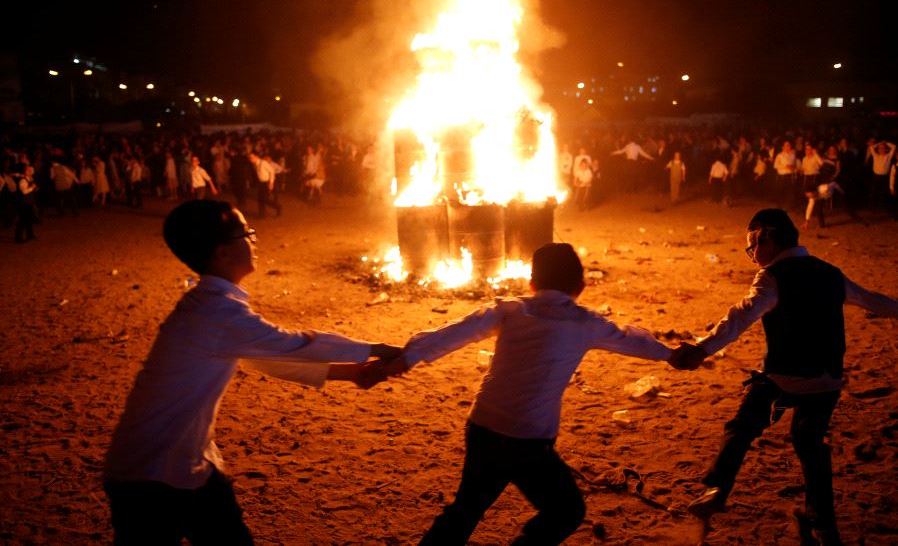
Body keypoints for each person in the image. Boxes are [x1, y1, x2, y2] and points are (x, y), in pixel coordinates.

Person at [103, 200, 401, 544]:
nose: (255, 241)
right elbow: (294, 344)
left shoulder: (211, 307)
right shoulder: (217, 313)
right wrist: (376, 349)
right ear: (222, 253)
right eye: (247, 233)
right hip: (148, 475)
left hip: (190, 461)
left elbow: (264, 359)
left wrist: (350, 373)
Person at [376, 243, 682, 544]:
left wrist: (408, 357)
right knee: (567, 511)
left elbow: (455, 331)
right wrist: (671, 354)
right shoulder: (587, 323)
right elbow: (631, 341)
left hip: (483, 426)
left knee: (466, 510)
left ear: (532, 282)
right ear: (581, 286)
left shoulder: (509, 309)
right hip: (527, 440)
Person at [672, 209, 898, 544]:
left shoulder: (772, 277)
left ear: (766, 236)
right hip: (827, 378)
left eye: (752, 247)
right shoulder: (831, 273)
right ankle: (823, 523)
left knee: (742, 426)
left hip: (784, 373)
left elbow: (739, 318)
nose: (752, 256)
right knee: (810, 445)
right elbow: (874, 301)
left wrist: (700, 351)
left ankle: (718, 489)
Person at [248, 152, 281, 217]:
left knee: (265, 199)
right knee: (260, 199)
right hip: (261, 183)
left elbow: (272, 172)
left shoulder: (263, 163)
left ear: (256, 157)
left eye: (252, 157)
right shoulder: (255, 165)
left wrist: (271, 183)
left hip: (266, 183)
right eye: (249, 158)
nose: (250, 159)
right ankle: (261, 215)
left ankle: (278, 207)